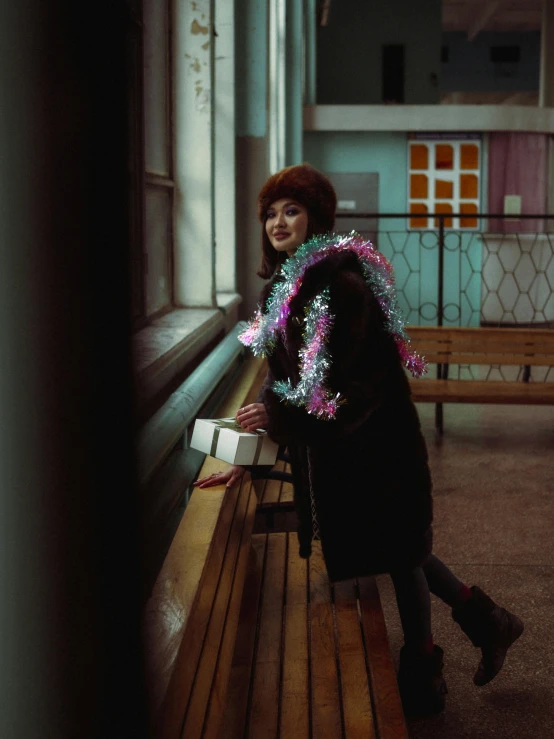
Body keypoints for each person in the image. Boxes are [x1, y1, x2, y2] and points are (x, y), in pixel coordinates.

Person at [194, 163, 524, 717]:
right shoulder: (290, 285)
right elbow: (293, 383)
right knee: (406, 552)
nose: (278, 221)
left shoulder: (337, 284)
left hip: (376, 446)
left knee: (403, 556)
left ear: (316, 218)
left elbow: (347, 384)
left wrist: (275, 412)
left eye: (291, 210)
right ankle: (488, 625)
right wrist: (252, 458)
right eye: (271, 213)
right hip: (346, 450)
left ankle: (423, 678)